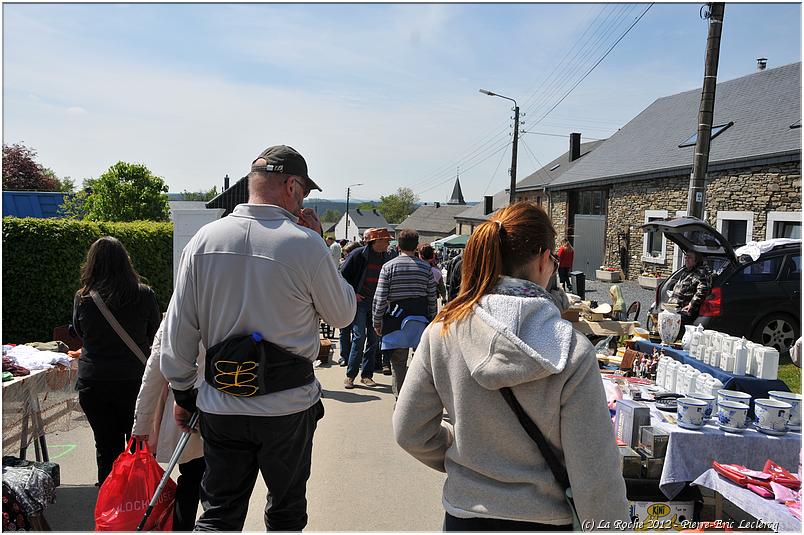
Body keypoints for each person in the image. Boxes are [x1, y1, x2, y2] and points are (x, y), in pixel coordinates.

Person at [392, 202, 629, 531]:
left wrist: (465, 457)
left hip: (465, 515)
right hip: (545, 519)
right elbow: (595, 474)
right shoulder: (571, 348)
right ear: (546, 259)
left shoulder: (444, 330)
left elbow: (409, 430)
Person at [160, 145, 356, 531]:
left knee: (218, 513)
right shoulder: (306, 244)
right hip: (286, 406)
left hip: (222, 402)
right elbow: (343, 314)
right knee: (285, 513)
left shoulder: (204, 240)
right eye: (303, 191)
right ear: (291, 186)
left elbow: (179, 328)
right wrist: (322, 247)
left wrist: (183, 394)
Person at [72, 236, 161, 486]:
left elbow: (79, 333)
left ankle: (110, 504)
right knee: (138, 446)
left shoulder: (84, 298)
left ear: (92, 263)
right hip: (135, 380)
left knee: (106, 448)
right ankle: (136, 504)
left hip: (95, 382)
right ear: (125, 261)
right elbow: (156, 332)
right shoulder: (144, 294)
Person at [132, 317, 205, 531]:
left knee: (193, 476)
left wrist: (142, 424)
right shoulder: (235, 299)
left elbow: (155, 367)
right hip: (228, 404)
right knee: (210, 481)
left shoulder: (180, 309)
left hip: (186, 403)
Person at [373, 229, 437, 396]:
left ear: (398, 246)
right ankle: (417, 400)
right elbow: (432, 298)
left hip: (395, 321)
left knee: (398, 364)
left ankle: (400, 400)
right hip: (420, 321)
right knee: (421, 365)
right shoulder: (426, 268)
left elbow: (380, 298)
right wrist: (432, 320)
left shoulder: (388, 267)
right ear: (416, 246)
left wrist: (377, 321)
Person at [339, 227, 393, 389]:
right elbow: (340, 276)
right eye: (386, 240)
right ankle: (350, 375)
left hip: (378, 303)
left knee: (373, 339)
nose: (388, 243)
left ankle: (367, 375)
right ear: (375, 241)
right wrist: (353, 293)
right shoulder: (358, 255)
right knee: (359, 337)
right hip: (360, 302)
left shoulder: (388, 257)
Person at [668, 251, 712, 325]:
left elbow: (703, 290)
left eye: (690, 257)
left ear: (696, 260)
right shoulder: (686, 271)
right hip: (674, 309)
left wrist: (691, 305)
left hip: (684, 312)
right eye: (686, 257)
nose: (686, 259)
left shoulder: (700, 273)